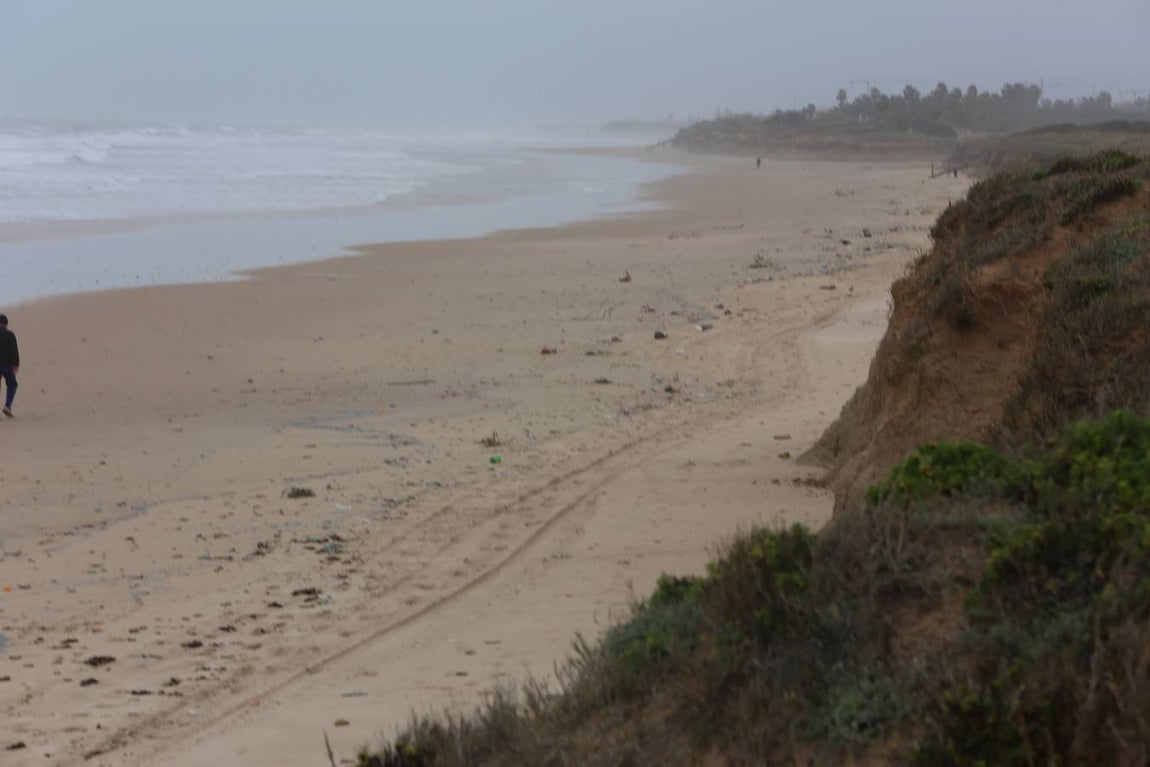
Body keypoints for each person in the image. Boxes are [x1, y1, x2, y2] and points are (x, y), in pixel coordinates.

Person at [0, 314, 19, 417]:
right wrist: (16, 364)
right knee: (12, 384)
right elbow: (14, 350)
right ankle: (7, 406)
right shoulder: (10, 334)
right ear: (6, 324)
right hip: (7, 365)